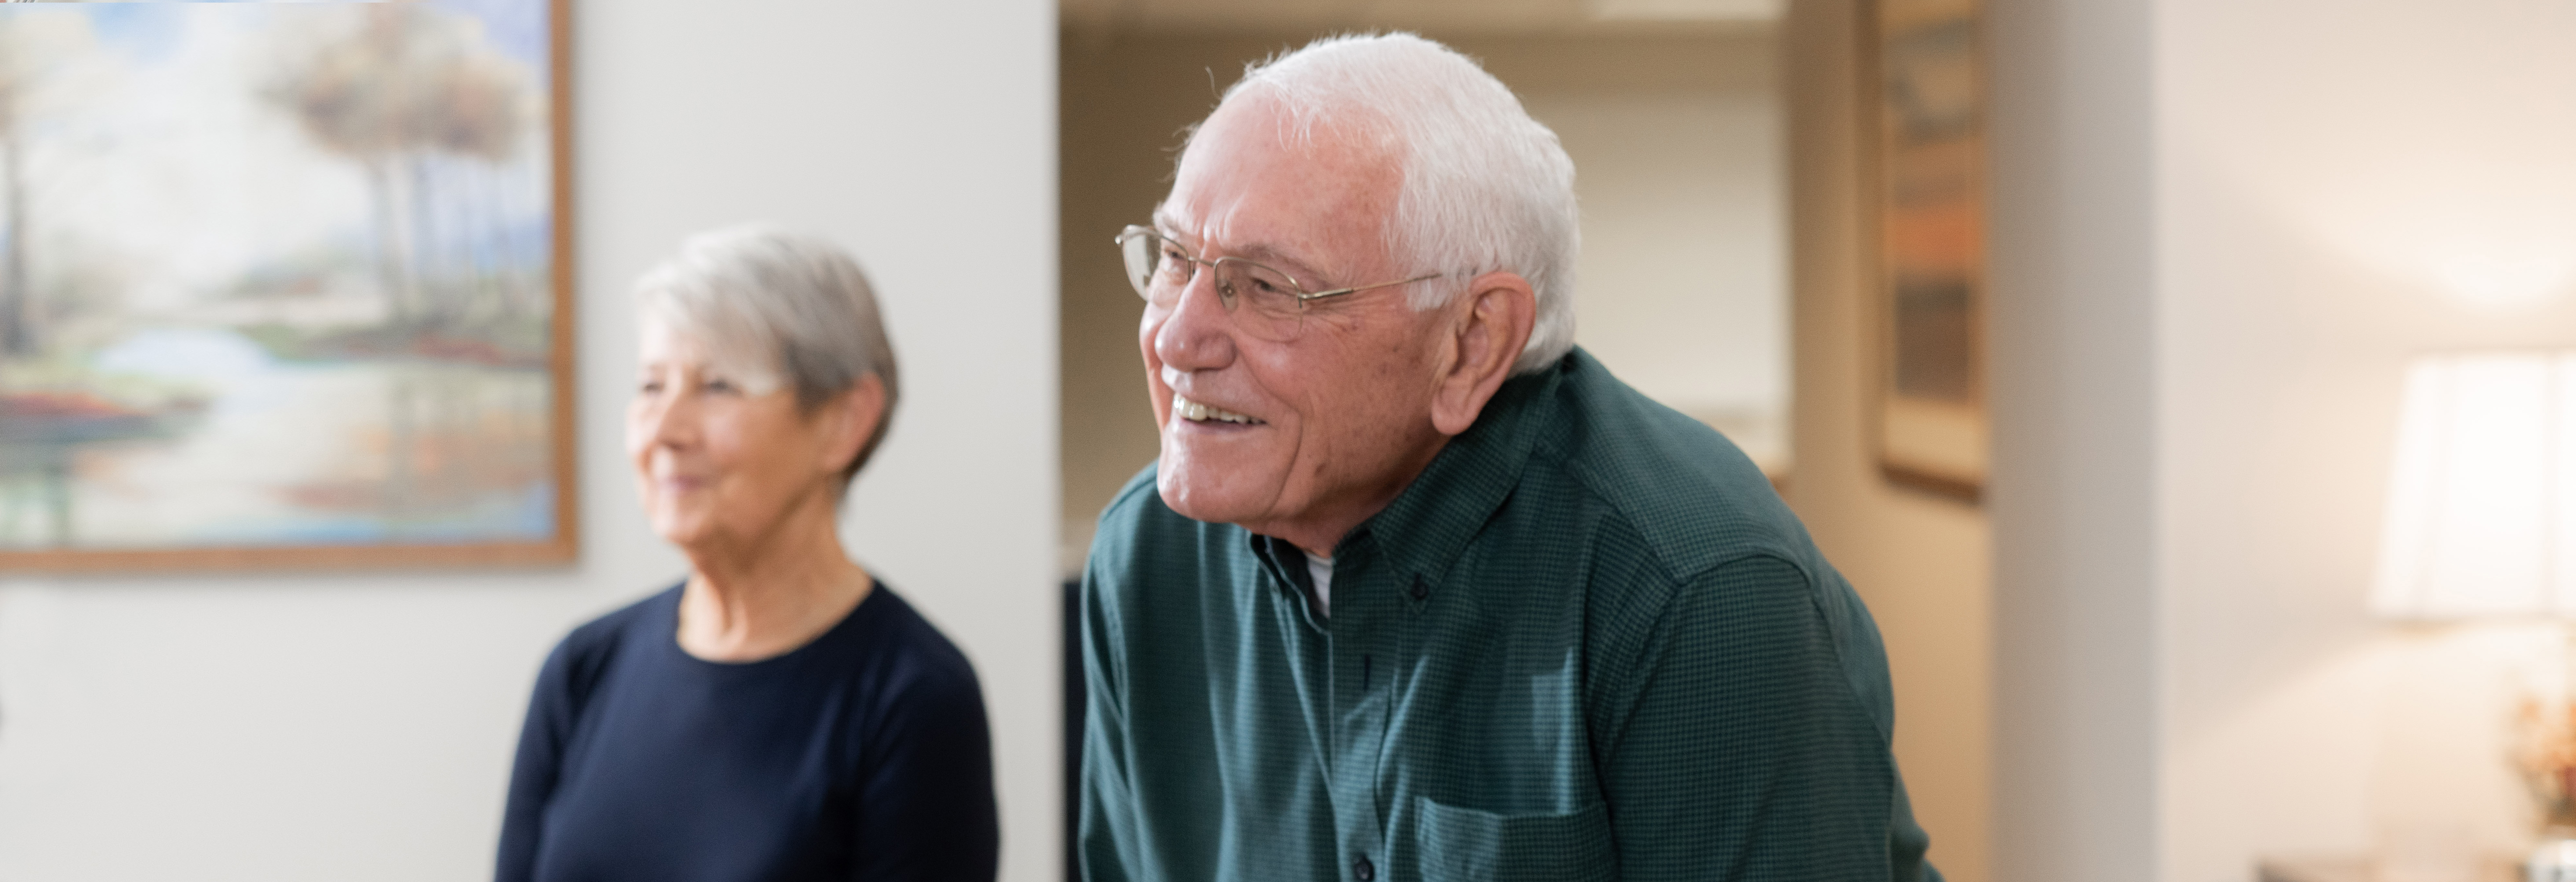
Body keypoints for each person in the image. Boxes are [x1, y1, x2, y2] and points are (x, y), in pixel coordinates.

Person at [1078, 33, 1940, 882]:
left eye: (1267, 287)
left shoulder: (1698, 588)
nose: (1177, 336)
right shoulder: (1143, 557)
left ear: (1471, 342)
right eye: (1175, 260)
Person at [497, 226, 998, 882]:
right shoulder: (583, 671)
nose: (665, 432)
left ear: (845, 421)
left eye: (718, 387)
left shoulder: (913, 697)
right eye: (651, 386)